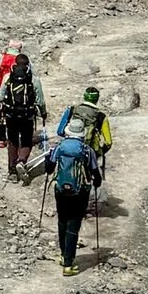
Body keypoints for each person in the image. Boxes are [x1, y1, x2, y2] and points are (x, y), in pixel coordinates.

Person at [0, 40, 42, 181]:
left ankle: (11, 172)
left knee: (12, 140)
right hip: (27, 115)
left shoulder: (7, 76)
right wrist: (43, 112)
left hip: (11, 114)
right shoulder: (34, 79)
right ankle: (22, 161)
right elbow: (40, 99)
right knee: (26, 140)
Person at [47, 114, 94, 273]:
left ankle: (62, 255)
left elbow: (49, 168)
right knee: (73, 225)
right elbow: (96, 173)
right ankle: (68, 263)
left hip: (60, 190)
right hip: (79, 192)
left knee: (62, 221)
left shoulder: (60, 146)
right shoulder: (86, 150)